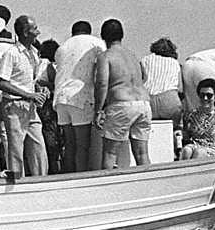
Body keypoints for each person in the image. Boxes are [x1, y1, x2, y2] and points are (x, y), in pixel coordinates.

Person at [93, 18, 152, 170]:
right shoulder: (133, 55)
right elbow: (144, 77)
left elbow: (102, 83)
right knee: (142, 153)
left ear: (103, 36)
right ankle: (147, 185)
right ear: (122, 35)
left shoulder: (105, 56)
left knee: (110, 153)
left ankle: (106, 188)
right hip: (144, 104)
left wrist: (98, 110)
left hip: (121, 104)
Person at [0, 15, 49, 178]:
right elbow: (3, 83)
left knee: (38, 146)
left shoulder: (33, 53)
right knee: (16, 150)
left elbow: (30, 80)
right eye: (35, 29)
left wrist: (40, 90)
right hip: (14, 106)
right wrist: (29, 95)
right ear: (26, 32)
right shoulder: (11, 53)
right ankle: (18, 184)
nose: (38, 32)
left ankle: (41, 181)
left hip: (30, 107)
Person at [53, 20, 104, 174]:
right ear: (89, 31)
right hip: (80, 97)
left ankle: (68, 176)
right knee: (82, 145)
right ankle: (80, 179)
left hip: (61, 98)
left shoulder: (62, 47)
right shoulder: (96, 43)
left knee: (69, 144)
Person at [141, 37, 184, 124]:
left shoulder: (144, 60)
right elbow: (180, 89)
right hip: (169, 102)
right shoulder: (175, 63)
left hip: (148, 102)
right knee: (174, 126)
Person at [36, 38, 63, 174]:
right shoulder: (50, 66)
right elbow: (55, 84)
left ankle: (51, 169)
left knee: (48, 139)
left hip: (42, 106)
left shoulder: (39, 64)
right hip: (50, 106)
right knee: (55, 139)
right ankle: (56, 169)